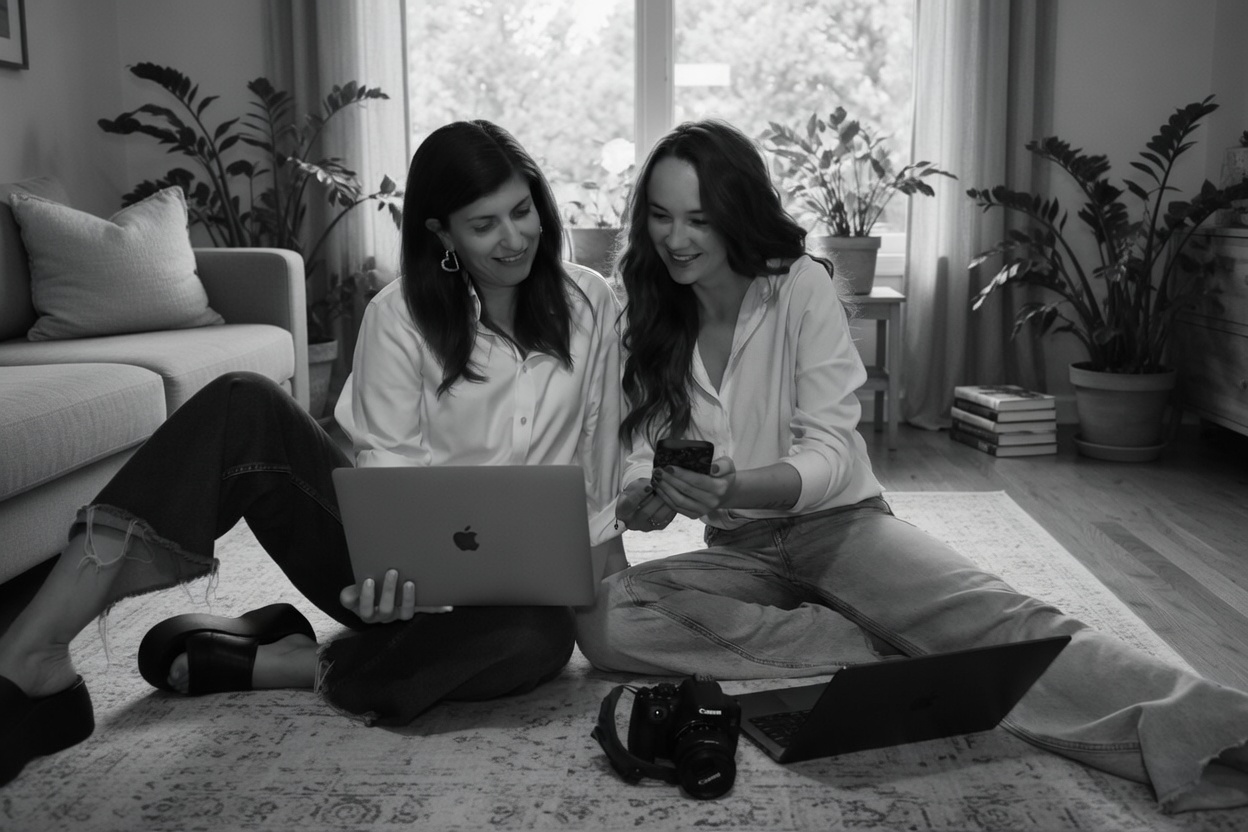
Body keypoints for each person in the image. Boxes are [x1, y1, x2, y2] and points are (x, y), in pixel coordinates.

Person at [573, 118, 1248, 813]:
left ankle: (1214, 729)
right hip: (741, 549)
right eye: (660, 216)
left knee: (1003, 620)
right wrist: (643, 494)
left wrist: (735, 485)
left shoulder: (798, 287)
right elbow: (635, 451)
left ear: (736, 215)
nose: (676, 238)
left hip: (837, 527)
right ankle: (892, 647)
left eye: (698, 219)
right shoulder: (643, 313)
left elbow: (833, 456)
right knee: (610, 621)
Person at [0, 119, 626, 786]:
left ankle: (299, 663)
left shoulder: (591, 303)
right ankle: (31, 653)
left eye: (522, 210)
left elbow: (599, 463)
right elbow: (388, 474)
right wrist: (397, 572)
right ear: (441, 234)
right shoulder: (399, 315)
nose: (514, 238)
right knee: (242, 401)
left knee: (539, 642)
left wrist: (611, 605)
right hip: (387, 576)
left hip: (516, 587)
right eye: (484, 224)